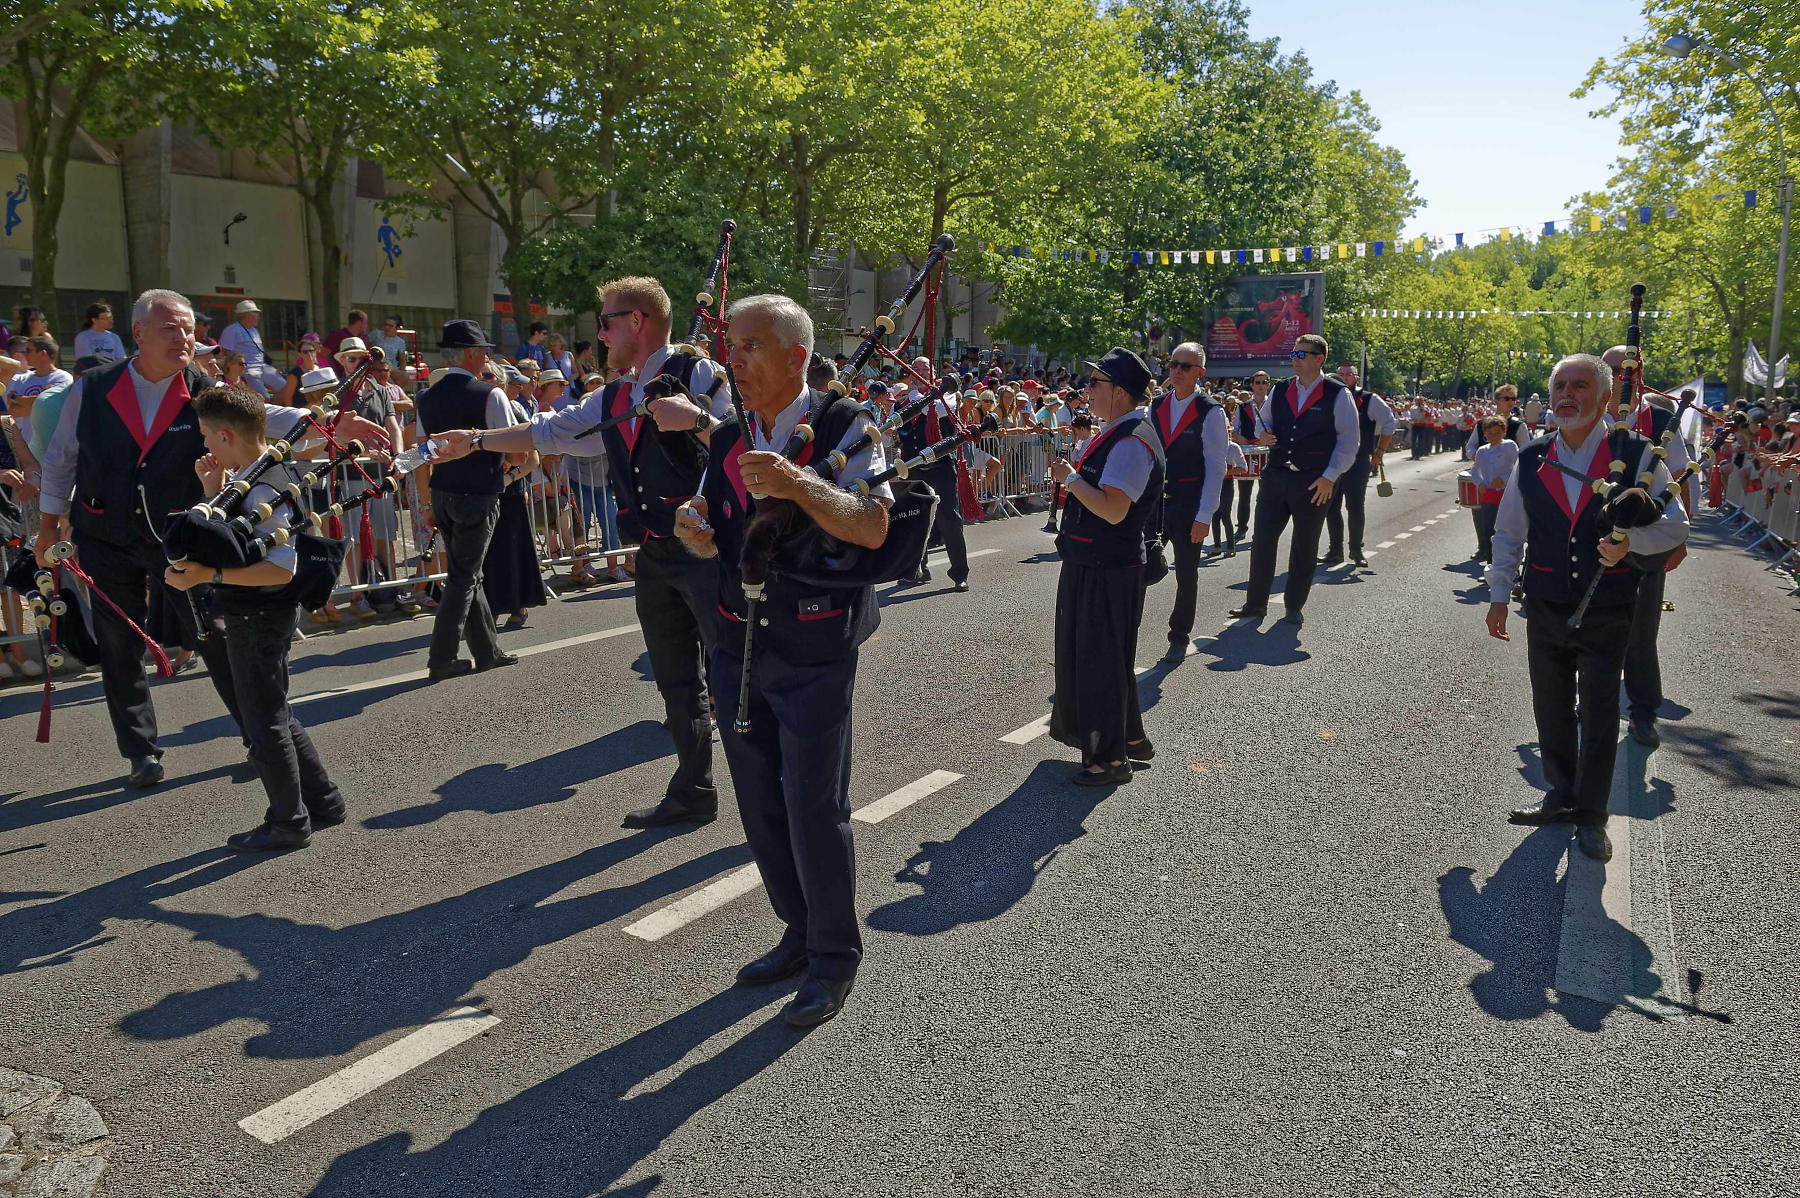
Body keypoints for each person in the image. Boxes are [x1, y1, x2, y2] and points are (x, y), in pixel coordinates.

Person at [32, 289, 384, 785]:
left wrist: (326, 426)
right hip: (103, 532)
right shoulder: (93, 387)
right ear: (138, 334)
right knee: (118, 644)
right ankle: (140, 751)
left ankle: (259, 736)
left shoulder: (203, 387)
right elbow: (61, 458)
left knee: (217, 635)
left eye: (189, 328)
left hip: (180, 538)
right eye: (171, 328)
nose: (185, 337)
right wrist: (49, 524)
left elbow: (262, 421)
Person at [673, 292, 892, 1028]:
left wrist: (799, 483)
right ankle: (796, 933)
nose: (732, 359)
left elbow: (872, 525)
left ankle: (835, 958)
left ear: (796, 356)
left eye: (749, 346)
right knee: (761, 804)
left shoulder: (848, 424)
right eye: (730, 346)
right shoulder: (729, 433)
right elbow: (712, 517)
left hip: (817, 640)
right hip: (738, 638)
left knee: (812, 805)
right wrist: (696, 527)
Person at [434, 277, 724, 828]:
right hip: (657, 554)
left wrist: (697, 422)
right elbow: (551, 431)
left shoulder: (697, 372)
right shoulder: (614, 395)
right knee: (677, 679)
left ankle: (780, 792)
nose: (600, 333)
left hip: (710, 552)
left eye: (607, 321)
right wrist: (474, 440)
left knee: (737, 673)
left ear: (636, 322)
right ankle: (695, 788)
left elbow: (737, 443)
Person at [1484, 354, 1688, 862]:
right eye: (1560, 386)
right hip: (1547, 602)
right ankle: (1560, 794)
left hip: (1608, 605)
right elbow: (1509, 531)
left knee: (1598, 713)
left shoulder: (1638, 456)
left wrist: (1631, 543)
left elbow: (1676, 524)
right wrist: (1497, 595)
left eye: (1580, 386)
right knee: (1550, 706)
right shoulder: (1531, 458)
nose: (1567, 395)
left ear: (1603, 400)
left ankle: (1592, 815)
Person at [165, 383, 347, 851]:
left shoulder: (265, 483)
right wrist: (211, 490)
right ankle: (323, 801)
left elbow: (279, 568)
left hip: (259, 614)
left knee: (262, 718)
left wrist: (208, 572)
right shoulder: (257, 471)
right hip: (261, 612)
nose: (203, 443)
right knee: (276, 710)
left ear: (226, 435)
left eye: (206, 434)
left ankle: (288, 821)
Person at [1047, 347, 1165, 783]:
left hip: (1108, 566)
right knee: (1105, 659)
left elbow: (1114, 510)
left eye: (1095, 384)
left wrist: (1071, 480)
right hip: (1095, 561)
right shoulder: (1120, 429)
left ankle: (1108, 760)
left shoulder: (1132, 439)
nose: (1087, 391)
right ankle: (1130, 739)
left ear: (1118, 392)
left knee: (1099, 662)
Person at [411, 319, 522, 681]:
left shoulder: (426, 398)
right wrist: (504, 476)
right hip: (477, 494)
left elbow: (421, 454)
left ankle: (488, 651)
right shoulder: (491, 394)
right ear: (473, 353)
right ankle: (441, 657)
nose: (488, 355)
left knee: (467, 573)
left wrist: (427, 503)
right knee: (464, 576)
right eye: (484, 350)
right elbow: (515, 449)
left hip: (443, 493)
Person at [1228, 333, 1358, 626]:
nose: (1294, 359)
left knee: (1305, 544)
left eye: (1301, 354)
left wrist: (1329, 478)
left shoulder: (1338, 393)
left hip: (1314, 481)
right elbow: (1268, 420)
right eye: (1293, 353)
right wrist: (1264, 434)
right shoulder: (1282, 388)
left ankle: (1293, 605)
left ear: (1318, 358)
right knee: (1262, 541)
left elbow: (1349, 443)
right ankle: (1255, 604)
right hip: (1276, 476)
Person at [1152, 342, 1226, 663]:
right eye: (1173, 364)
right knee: (1137, 566)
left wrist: (1205, 514)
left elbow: (1216, 466)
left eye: (1185, 366)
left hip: (1188, 505)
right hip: (1154, 505)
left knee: (1186, 572)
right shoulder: (1154, 406)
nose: (1177, 371)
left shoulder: (1210, 412)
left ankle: (1179, 636)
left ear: (1200, 373)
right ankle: (1126, 628)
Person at [897, 356, 971, 591]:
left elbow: (938, 407)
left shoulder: (947, 396)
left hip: (941, 468)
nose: (918, 373)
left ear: (932, 372)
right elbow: (896, 424)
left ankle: (959, 573)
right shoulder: (905, 402)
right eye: (915, 369)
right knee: (915, 520)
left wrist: (914, 395)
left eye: (923, 369)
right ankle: (918, 569)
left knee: (950, 520)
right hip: (915, 467)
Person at [1322, 362, 1397, 569]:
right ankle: (1335, 551)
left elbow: (1390, 422)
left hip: (1357, 461)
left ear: (1356, 378)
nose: (1344, 377)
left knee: (1355, 506)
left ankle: (1356, 550)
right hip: (1333, 461)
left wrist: (1379, 451)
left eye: (1348, 374)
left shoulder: (1368, 399)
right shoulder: (1328, 396)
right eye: (1340, 374)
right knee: (1331, 507)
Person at [1467, 415, 1517, 563]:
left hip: (1506, 494)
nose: (1493, 436)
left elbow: (1517, 466)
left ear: (1504, 432)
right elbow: (1475, 470)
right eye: (1489, 433)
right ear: (1485, 434)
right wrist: (1479, 483)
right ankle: (1491, 566)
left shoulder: (1510, 446)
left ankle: (1508, 567)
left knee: (1505, 532)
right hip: (1488, 496)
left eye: (1497, 432)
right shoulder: (1482, 450)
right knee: (1488, 531)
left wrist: (1503, 479)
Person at [217, 300, 283, 396]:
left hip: (262, 366)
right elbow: (224, 353)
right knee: (265, 397)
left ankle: (277, 409)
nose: (258, 317)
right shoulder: (231, 330)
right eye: (255, 314)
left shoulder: (254, 330)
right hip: (247, 370)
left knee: (285, 388)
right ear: (244, 315)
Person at [73, 302, 127, 370]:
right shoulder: (83, 337)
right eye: (105, 319)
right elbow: (85, 362)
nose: (110, 321)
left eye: (111, 318)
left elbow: (121, 359)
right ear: (94, 320)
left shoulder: (114, 337)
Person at [323, 309, 369, 376]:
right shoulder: (336, 335)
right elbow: (323, 354)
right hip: (340, 377)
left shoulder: (363, 337)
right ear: (359, 322)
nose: (366, 326)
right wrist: (330, 372)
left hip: (360, 375)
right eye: (365, 323)